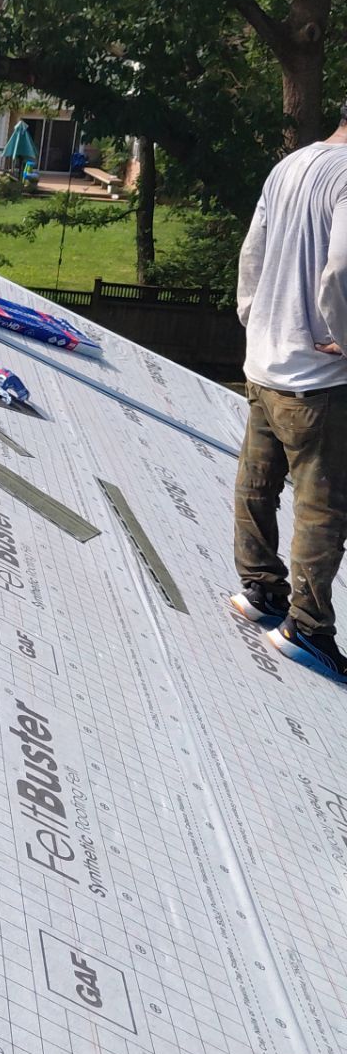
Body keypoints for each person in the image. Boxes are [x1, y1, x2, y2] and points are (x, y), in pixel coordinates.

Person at [230, 102, 347, 673]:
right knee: (322, 507)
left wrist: (252, 314)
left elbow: (253, 247)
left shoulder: (291, 165)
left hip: (264, 364)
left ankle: (259, 590)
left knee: (257, 480)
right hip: (316, 381)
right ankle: (306, 625)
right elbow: (342, 268)